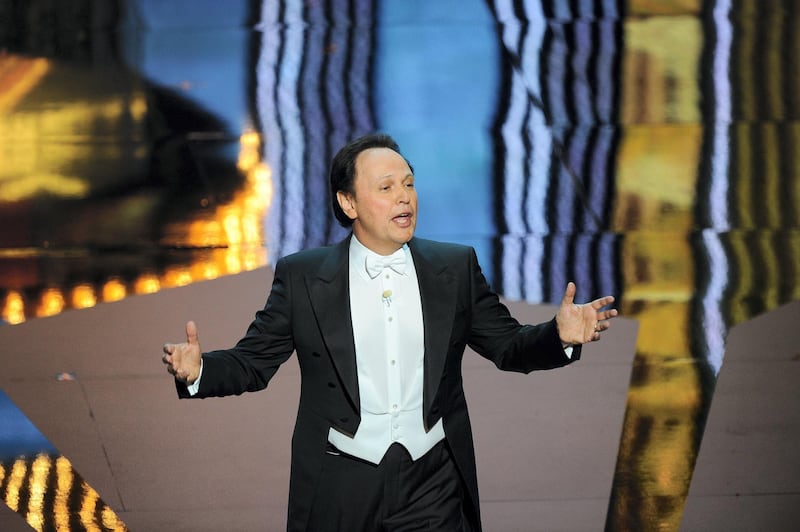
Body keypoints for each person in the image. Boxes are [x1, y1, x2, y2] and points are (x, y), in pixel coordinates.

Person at [162, 133, 618, 531]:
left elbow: (508, 346)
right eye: (386, 188)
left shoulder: (453, 268)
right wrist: (199, 370)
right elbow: (253, 363)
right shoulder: (304, 278)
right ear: (348, 203)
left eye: (409, 184)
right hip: (341, 481)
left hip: (433, 478)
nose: (405, 197)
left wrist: (559, 337)